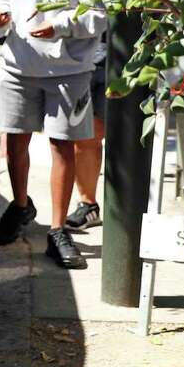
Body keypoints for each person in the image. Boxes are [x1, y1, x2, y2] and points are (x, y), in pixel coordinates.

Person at [0, 0, 107, 269]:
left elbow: (98, 12)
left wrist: (60, 25)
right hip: (18, 64)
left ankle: (58, 231)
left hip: (69, 68)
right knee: (14, 141)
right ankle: (21, 206)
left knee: (63, 145)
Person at [64, 37, 108, 232]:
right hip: (86, 54)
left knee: (128, 136)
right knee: (86, 135)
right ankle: (88, 204)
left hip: (129, 56)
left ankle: (132, 207)